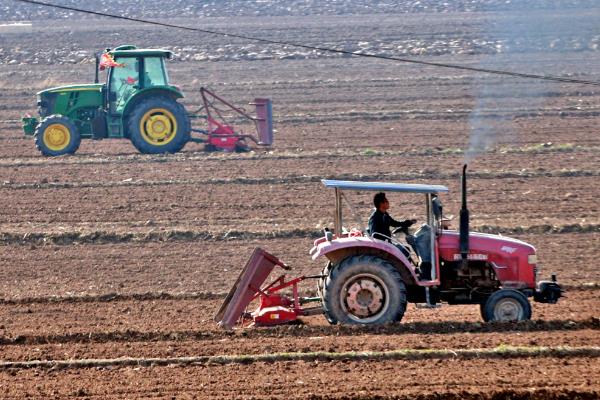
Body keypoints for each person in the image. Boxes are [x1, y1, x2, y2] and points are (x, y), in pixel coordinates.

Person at [368, 192, 416, 257]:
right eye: (386, 201)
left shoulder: (384, 214)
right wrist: (385, 242)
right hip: (383, 247)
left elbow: (394, 223)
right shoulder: (374, 218)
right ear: (381, 204)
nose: (388, 203)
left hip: (387, 243)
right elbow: (374, 235)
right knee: (404, 252)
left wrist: (407, 223)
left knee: (406, 249)